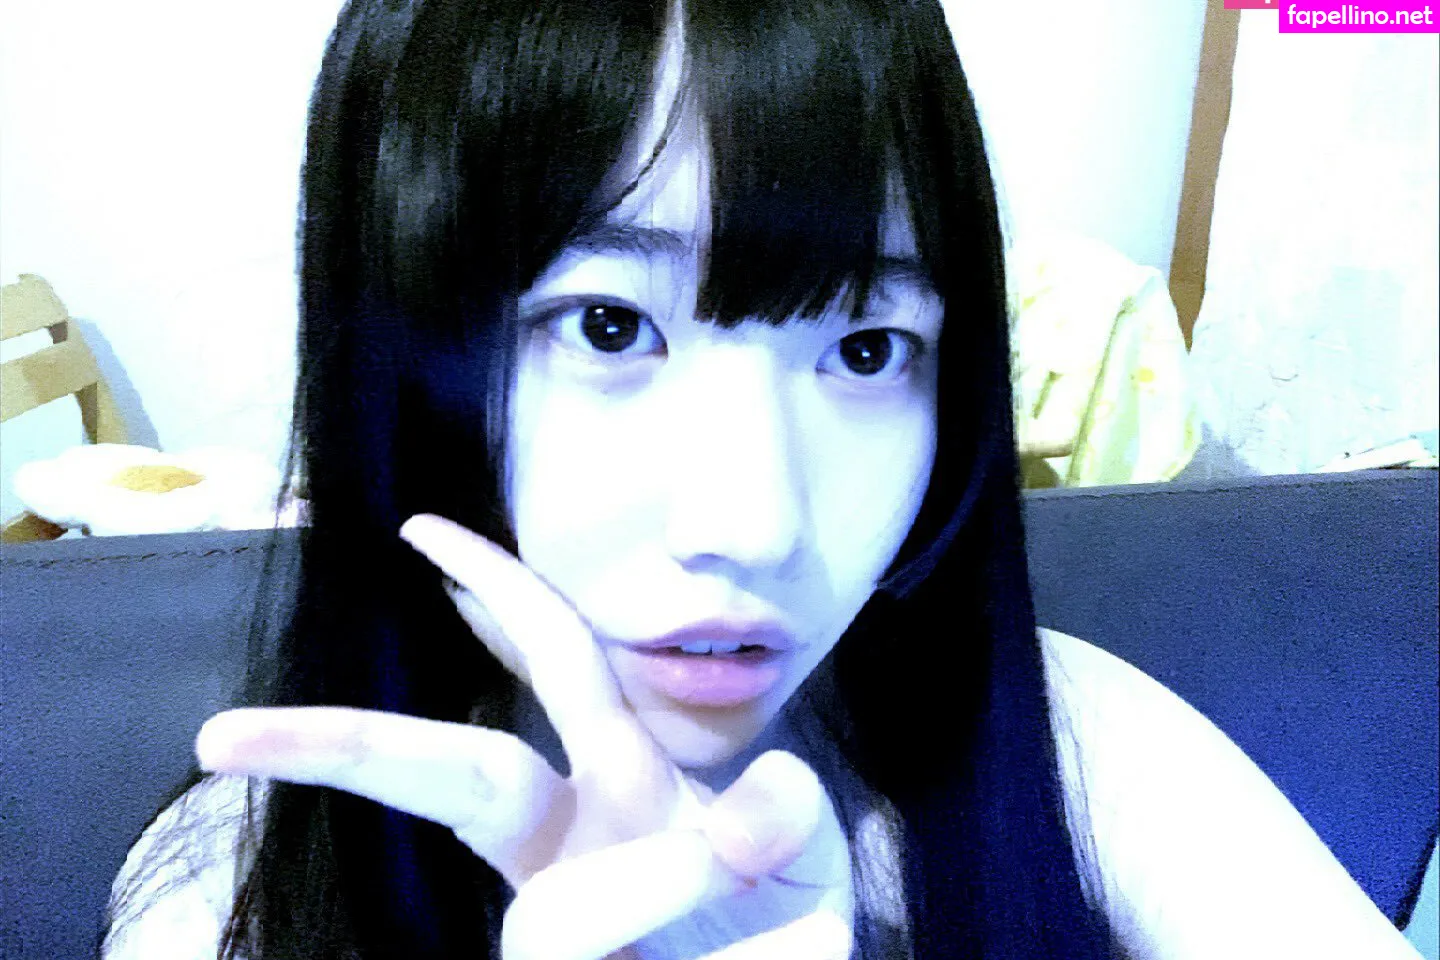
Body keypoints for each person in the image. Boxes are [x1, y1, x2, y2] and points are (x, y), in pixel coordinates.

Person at [101, 1, 1424, 958]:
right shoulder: (232, 899)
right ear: (399, 359)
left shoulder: (1078, 743)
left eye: (867, 348)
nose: (758, 524)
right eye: (608, 325)